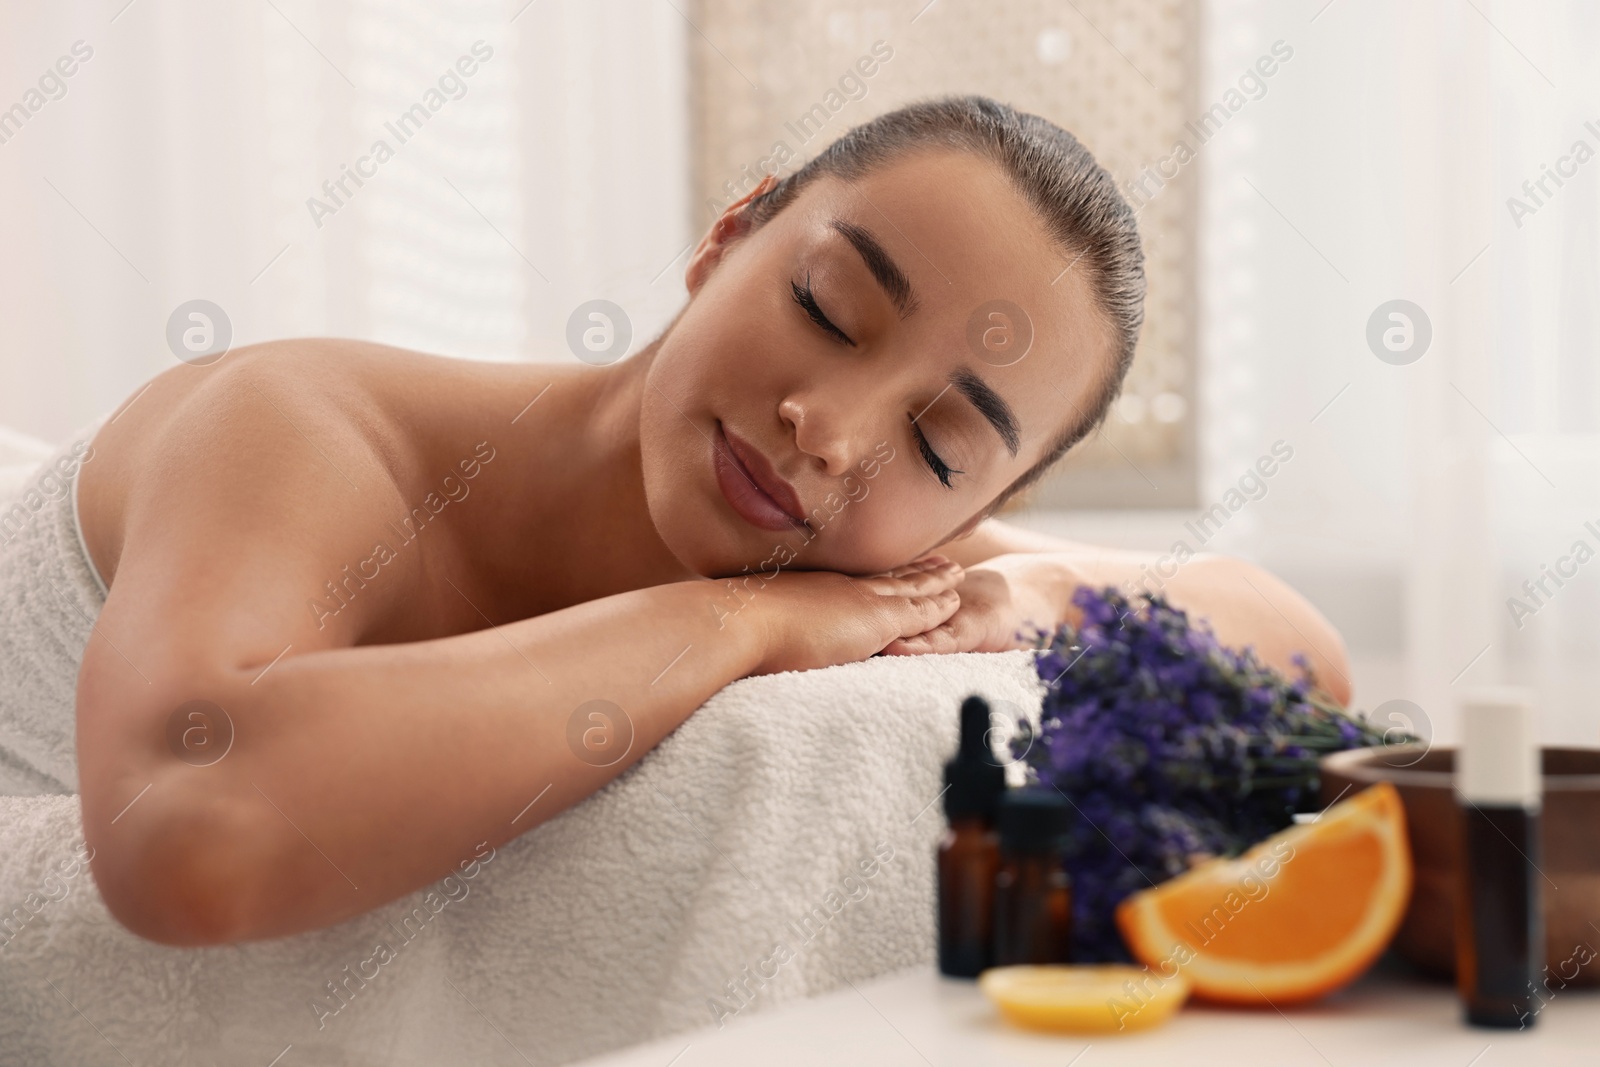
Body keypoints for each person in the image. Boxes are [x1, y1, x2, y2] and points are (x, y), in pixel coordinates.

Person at [56, 96, 1347, 946]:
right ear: (731, 236)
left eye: (943, 446)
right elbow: (183, 829)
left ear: (986, 510)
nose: (831, 431)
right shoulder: (306, 426)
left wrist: (1021, 595)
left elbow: (1299, 658)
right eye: (832, 309)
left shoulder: (902, 554)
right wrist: (730, 624)